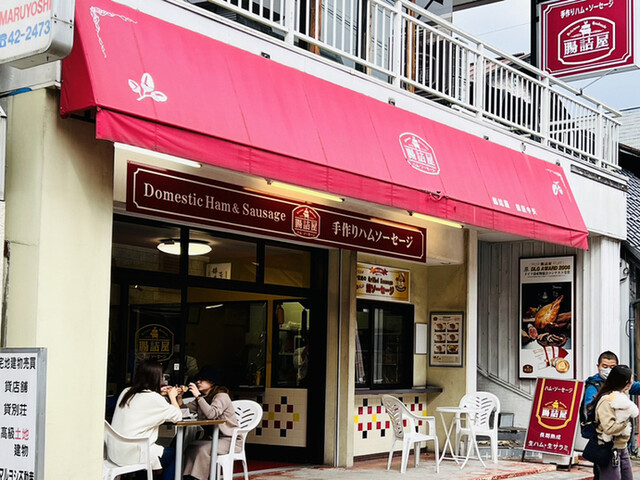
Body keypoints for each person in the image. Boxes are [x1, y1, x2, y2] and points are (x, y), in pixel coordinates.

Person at [108, 359, 182, 480]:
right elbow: (178, 416)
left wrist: (158, 392)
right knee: (176, 454)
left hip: (114, 453)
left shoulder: (126, 392)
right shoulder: (154, 398)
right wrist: (172, 396)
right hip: (134, 454)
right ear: (157, 378)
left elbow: (144, 402)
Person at [182, 366, 239, 480]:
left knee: (203, 449)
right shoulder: (204, 398)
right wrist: (178, 397)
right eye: (198, 379)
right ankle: (188, 477)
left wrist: (198, 396)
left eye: (202, 379)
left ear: (212, 382)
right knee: (191, 447)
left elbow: (212, 414)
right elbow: (184, 410)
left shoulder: (222, 396)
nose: (198, 382)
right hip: (211, 438)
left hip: (229, 440)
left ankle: (197, 478)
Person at [589, 365, 638, 480]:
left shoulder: (622, 395)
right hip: (610, 448)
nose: (632, 382)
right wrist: (626, 421)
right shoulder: (607, 400)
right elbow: (609, 428)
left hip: (623, 447)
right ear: (624, 382)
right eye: (630, 379)